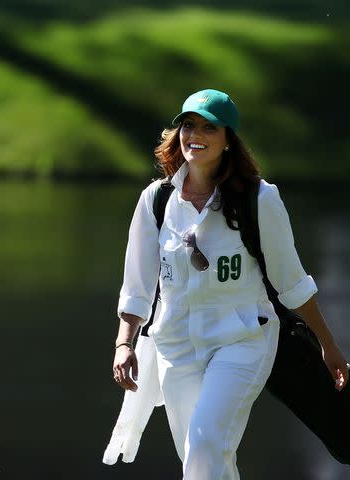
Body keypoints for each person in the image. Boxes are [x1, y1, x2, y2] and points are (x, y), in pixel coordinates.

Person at [111, 88, 348, 478]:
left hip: (242, 341)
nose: (195, 135)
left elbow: (292, 283)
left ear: (227, 141)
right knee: (201, 461)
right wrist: (124, 342)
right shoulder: (156, 200)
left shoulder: (259, 198)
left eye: (209, 127)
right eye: (188, 125)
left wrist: (328, 344)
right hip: (176, 345)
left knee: (205, 445)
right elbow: (137, 285)